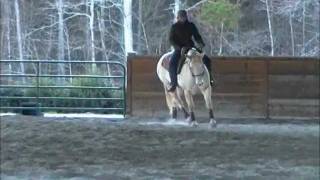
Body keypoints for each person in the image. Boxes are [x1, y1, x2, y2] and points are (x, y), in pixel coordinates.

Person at [168, 10, 213, 92]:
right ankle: (173, 83)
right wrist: (178, 47)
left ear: (186, 17)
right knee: (172, 63)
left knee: (207, 60)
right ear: (178, 17)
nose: (182, 19)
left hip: (190, 47)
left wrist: (201, 43)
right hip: (179, 49)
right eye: (181, 17)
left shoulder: (191, 25)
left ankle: (210, 79)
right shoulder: (174, 27)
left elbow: (197, 36)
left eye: (184, 17)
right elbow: (171, 39)